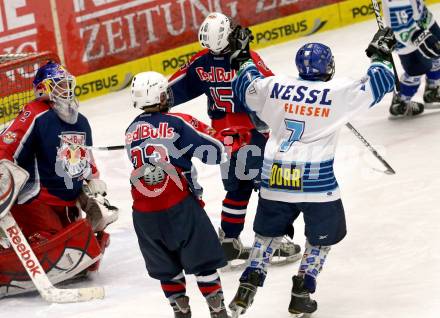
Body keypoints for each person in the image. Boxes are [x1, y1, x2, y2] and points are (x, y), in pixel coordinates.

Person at [226, 27, 396, 316]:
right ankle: (301, 292)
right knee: (321, 238)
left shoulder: (275, 86)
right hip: (317, 185)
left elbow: (245, 85)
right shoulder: (338, 91)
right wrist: (380, 54)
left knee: (267, 235)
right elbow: (381, 82)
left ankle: (247, 286)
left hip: (275, 178)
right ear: (328, 67)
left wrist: (242, 56)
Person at [168, 12, 300, 263]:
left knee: (238, 189)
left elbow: (168, 91)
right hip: (250, 135)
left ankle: (228, 241)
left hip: (223, 139)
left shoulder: (200, 61)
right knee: (267, 185)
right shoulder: (246, 59)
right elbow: (270, 88)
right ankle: (272, 240)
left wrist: (155, 116)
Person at [0, 61, 118, 297]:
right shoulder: (35, 113)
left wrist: (91, 183)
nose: (66, 89)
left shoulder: (81, 121)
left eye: (67, 84)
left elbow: (83, 159)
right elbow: (5, 146)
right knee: (50, 241)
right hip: (34, 201)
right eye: (59, 85)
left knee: (85, 241)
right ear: (44, 88)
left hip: (66, 203)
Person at [126, 71, 231, 318]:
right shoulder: (178, 121)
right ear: (161, 95)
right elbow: (216, 152)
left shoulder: (130, 131)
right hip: (179, 205)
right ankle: (217, 310)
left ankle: (180, 310)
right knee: (203, 260)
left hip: (143, 211)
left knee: (166, 266)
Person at [383, 0, 440, 116]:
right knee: (418, 67)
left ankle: (433, 90)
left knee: (436, 49)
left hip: (422, 17)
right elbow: (398, 20)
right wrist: (417, 36)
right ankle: (400, 102)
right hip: (403, 28)